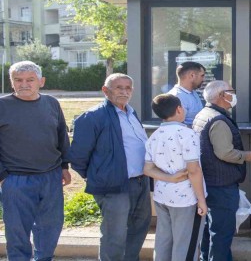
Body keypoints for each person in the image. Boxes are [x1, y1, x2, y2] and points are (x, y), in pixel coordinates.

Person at [70, 73, 152, 261]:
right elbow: (78, 156)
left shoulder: (131, 113)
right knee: (114, 234)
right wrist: (99, 175)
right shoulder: (92, 116)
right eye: (118, 87)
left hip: (140, 181)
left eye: (128, 88)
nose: (124, 91)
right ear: (105, 91)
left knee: (139, 227)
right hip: (113, 184)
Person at [0, 61, 71, 260]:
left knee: (50, 227)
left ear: (41, 81)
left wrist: (64, 166)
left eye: (30, 80)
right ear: (11, 82)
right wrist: (3, 177)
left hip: (50, 177)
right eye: (18, 80)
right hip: (16, 180)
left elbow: (61, 135)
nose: (24, 84)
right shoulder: (2, 106)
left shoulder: (51, 103)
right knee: (17, 231)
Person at [192, 80, 251, 261]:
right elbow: (224, 152)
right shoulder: (218, 120)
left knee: (209, 230)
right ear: (222, 96)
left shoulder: (203, 114)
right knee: (222, 233)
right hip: (221, 183)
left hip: (208, 181)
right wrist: (246, 156)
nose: (234, 95)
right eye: (232, 91)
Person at [143, 94, 207, 261]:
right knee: (185, 244)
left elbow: (147, 169)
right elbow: (193, 171)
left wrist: (169, 178)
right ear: (179, 109)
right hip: (186, 198)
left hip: (162, 195)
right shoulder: (187, 134)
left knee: (164, 240)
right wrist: (201, 200)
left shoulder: (155, 135)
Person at [168, 61, 206, 127]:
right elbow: (176, 127)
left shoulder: (193, 92)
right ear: (192, 75)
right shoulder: (176, 97)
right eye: (202, 76)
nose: (204, 79)